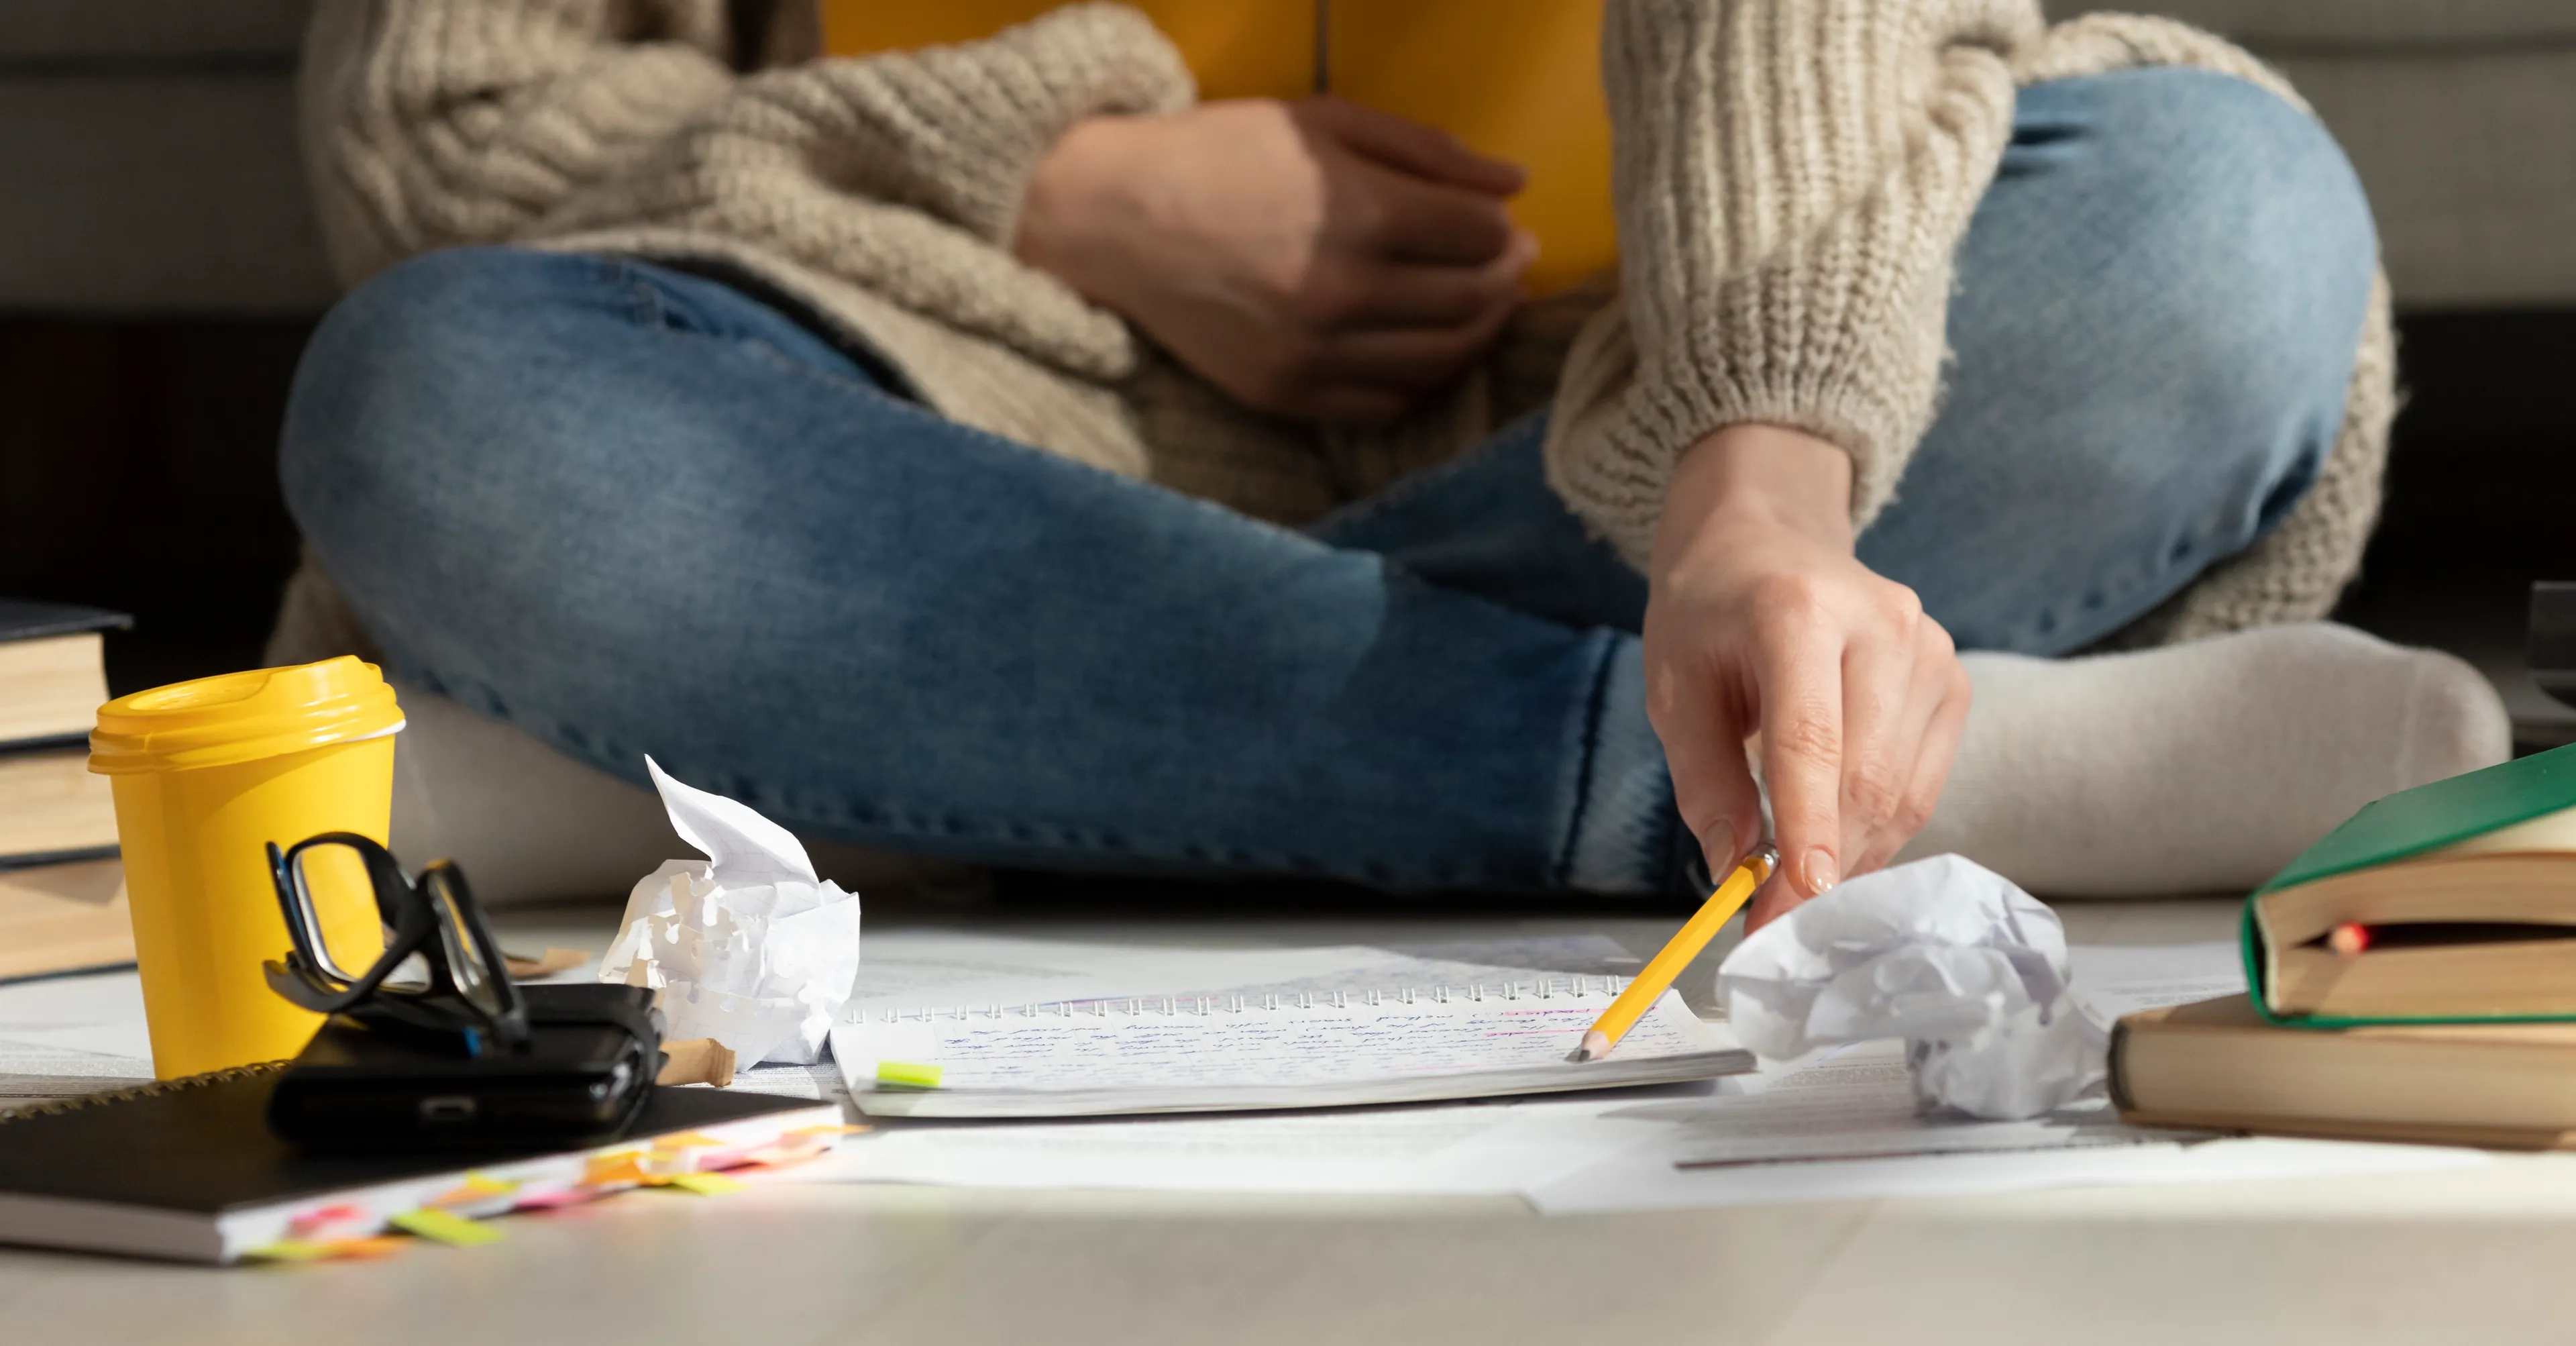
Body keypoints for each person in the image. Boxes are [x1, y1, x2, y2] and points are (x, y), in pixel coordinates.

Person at [271, 0, 2502, 925]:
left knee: (2219, 236)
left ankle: (835, 754)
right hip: (952, 395)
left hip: (1644, 416)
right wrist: (1071, 188)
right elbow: (451, 121)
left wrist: (1757, 485)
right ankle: (1775, 773)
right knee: (441, 400)